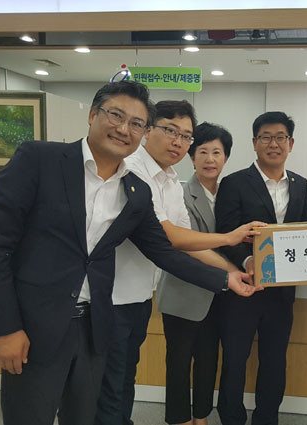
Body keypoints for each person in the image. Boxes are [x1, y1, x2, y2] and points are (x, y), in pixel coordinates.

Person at [0, 80, 258, 425]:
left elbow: (163, 251)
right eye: (115, 115)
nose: (123, 129)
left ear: (142, 131)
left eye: (135, 123)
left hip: (95, 326)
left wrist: (226, 279)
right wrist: (5, 327)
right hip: (36, 324)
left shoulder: (136, 190)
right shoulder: (40, 159)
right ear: (92, 114)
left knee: (87, 415)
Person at [94, 100, 263, 425]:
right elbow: (168, 236)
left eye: (185, 136)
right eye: (170, 131)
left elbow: (187, 239)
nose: (178, 141)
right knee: (110, 388)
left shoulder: (169, 179)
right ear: (147, 130)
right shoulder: (132, 170)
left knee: (123, 383)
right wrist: (229, 239)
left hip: (139, 296)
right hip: (109, 295)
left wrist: (234, 273)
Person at [215, 111, 307, 425]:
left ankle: (267, 418)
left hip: (282, 292)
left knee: (274, 361)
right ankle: (231, 418)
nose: (273, 144)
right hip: (242, 288)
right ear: (255, 143)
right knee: (235, 360)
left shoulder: (300, 184)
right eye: (266, 137)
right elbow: (225, 233)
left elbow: (305, 232)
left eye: (280, 137)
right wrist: (248, 261)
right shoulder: (234, 183)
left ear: (290, 143)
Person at [156, 122, 234, 425]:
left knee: (208, 359)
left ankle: (201, 416)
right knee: (178, 362)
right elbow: (185, 244)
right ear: (191, 156)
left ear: (226, 157)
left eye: (217, 152)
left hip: (218, 293)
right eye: (203, 152)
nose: (210, 159)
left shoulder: (229, 194)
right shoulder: (180, 193)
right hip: (183, 292)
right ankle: (179, 419)